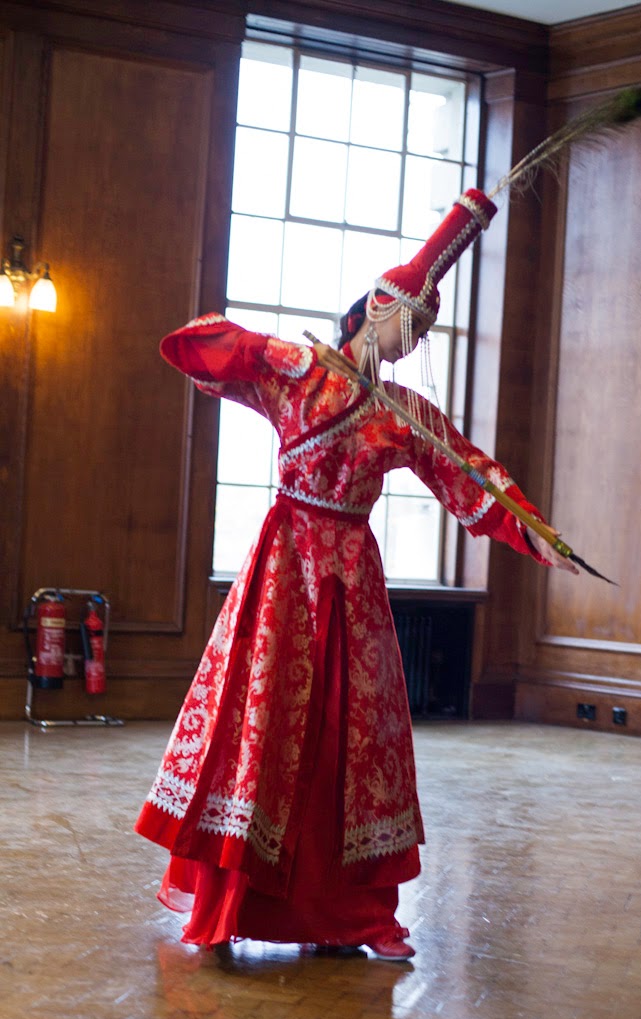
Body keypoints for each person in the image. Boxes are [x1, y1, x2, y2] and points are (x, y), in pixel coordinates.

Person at [134, 188, 577, 961]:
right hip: (286, 564)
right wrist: (268, 350)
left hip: (353, 572)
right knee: (264, 720)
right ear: (376, 310)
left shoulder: (401, 414)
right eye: (409, 322)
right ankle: (235, 897)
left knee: (354, 732)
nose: (411, 341)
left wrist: (536, 530)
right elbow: (204, 345)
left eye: (423, 331)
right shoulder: (298, 377)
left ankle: (352, 911)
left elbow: (472, 475)